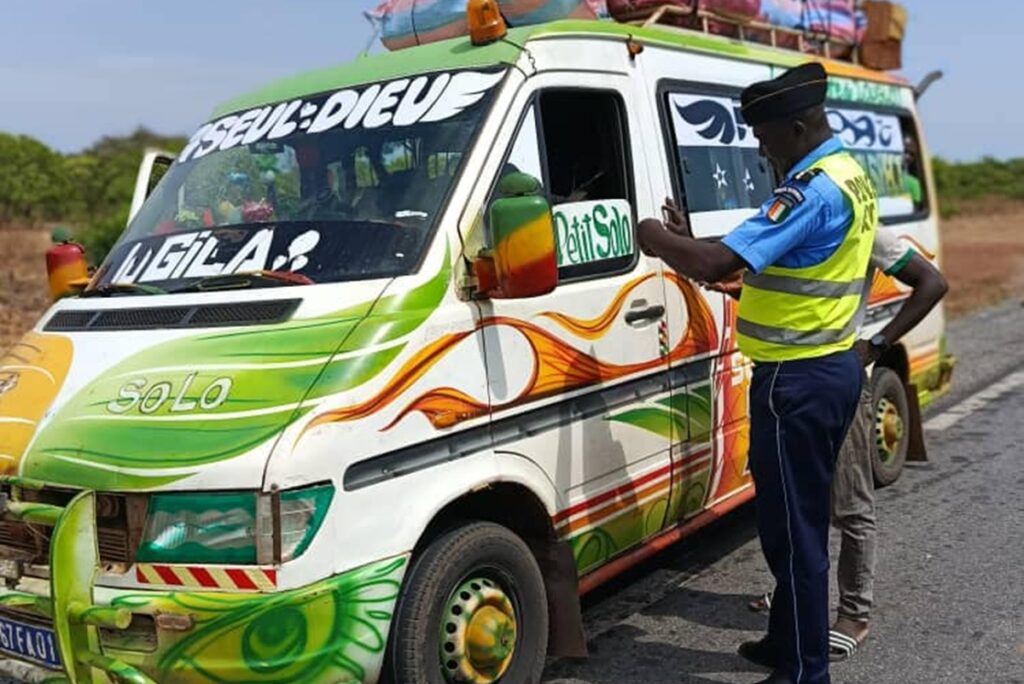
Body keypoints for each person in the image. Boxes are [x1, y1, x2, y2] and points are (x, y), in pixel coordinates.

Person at [637, 62, 876, 684]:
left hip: (796, 380)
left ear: (796, 128)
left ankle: (804, 670)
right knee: (786, 516)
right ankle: (783, 640)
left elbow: (718, 260)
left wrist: (654, 236)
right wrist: (692, 249)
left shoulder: (811, 188)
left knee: (794, 533)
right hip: (826, 367)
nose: (763, 151)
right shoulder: (850, 176)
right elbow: (757, 270)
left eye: (767, 139)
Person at [733, 225, 948, 662]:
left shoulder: (863, 228)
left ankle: (854, 614)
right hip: (792, 381)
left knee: (849, 505)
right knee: (796, 504)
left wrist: (877, 344)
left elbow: (932, 282)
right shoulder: (791, 220)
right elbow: (798, 302)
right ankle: (796, 600)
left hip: (836, 383)